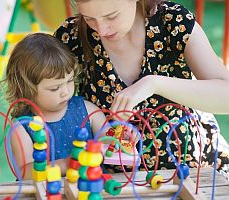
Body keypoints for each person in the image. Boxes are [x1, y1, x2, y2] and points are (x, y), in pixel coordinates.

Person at [54, 0, 229, 173]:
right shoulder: (72, 36)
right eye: (89, 18)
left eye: (111, 16)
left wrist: (154, 83)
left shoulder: (172, 22)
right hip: (109, 182)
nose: (101, 29)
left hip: (189, 168)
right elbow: (40, 105)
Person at [1, 33, 108, 180]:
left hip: (90, 190)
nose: (65, 92)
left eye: (70, 81)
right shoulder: (22, 128)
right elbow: (24, 173)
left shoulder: (88, 111)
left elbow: (108, 141)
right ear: (27, 90)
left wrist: (122, 138)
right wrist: (64, 164)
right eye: (55, 88)